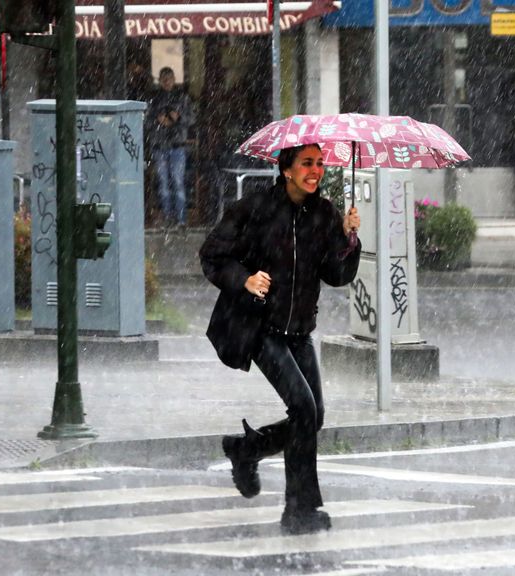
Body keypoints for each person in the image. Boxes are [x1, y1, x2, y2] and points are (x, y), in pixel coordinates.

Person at [199, 144, 361, 535]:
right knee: (304, 410)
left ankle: (247, 449)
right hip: (261, 328)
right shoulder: (255, 209)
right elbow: (212, 255)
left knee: (313, 418)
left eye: (320, 163)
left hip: (300, 333)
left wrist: (350, 240)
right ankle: (299, 511)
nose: (316, 170)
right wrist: (246, 279)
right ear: (286, 169)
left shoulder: (325, 215)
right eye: (307, 163)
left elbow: (337, 276)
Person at [146, 67, 193, 228]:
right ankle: (167, 218)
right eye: (164, 79)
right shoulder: (154, 99)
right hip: (160, 146)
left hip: (177, 145)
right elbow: (146, 122)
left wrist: (177, 118)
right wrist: (157, 121)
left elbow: (191, 119)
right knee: (164, 183)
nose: (167, 82)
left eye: (169, 78)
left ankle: (180, 220)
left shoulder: (182, 98)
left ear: (174, 79)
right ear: (160, 80)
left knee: (177, 182)